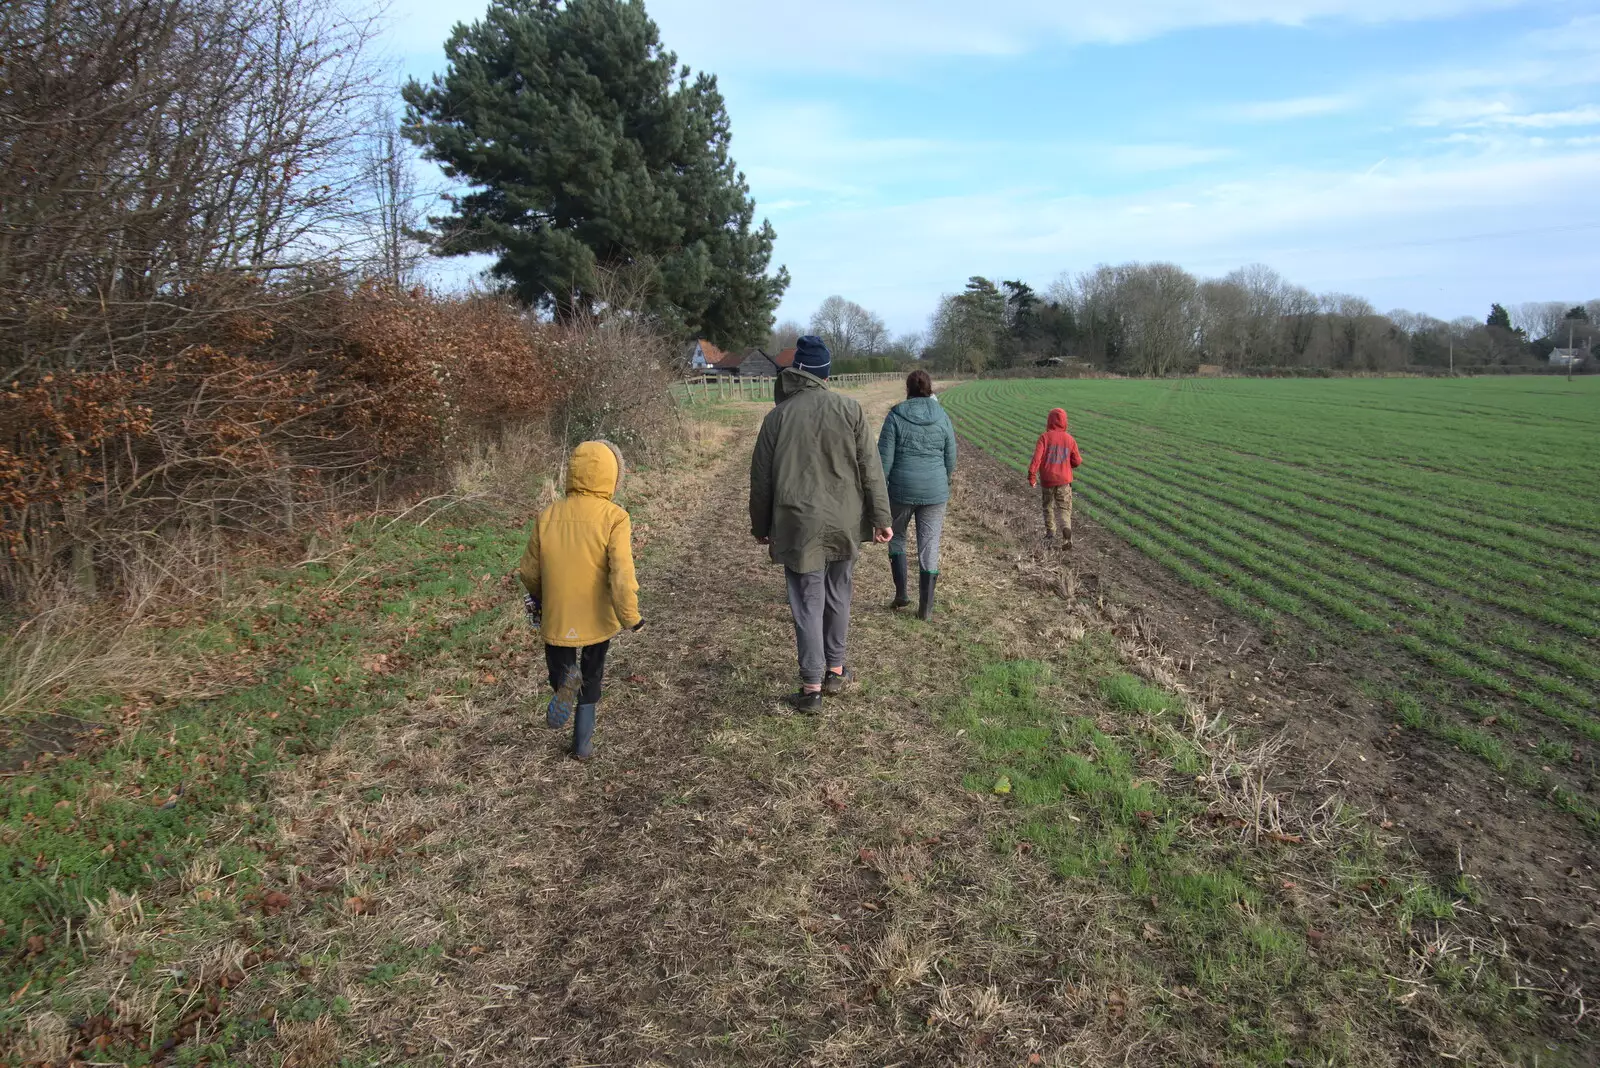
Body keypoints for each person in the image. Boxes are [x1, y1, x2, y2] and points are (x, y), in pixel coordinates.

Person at [750, 335, 893, 713]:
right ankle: (835, 670)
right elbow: (871, 469)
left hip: (798, 524)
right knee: (838, 594)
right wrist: (881, 517)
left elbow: (761, 479)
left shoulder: (776, 417)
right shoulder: (851, 410)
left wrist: (760, 524)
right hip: (844, 520)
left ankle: (811, 688)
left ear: (798, 372)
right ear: (824, 375)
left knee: (807, 602)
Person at [519, 440, 643, 760]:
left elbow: (530, 571)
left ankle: (564, 680)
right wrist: (630, 616)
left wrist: (541, 597)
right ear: (612, 477)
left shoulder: (548, 515)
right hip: (598, 615)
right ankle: (582, 744)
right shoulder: (615, 517)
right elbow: (621, 575)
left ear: (571, 473)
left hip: (559, 611)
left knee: (561, 663)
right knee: (593, 672)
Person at [877, 368, 956, 620]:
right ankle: (926, 609)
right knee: (929, 544)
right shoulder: (942, 415)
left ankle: (901, 594)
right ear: (930, 388)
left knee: (897, 535)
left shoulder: (895, 415)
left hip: (900, 490)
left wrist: (880, 490)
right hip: (935, 491)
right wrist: (942, 480)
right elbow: (950, 457)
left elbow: (883, 460)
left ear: (908, 389)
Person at [1027, 407, 1082, 549]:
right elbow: (1077, 461)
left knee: (1048, 506)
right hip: (1064, 481)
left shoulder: (1044, 437)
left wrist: (1032, 476)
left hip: (1047, 481)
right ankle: (1066, 530)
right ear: (1065, 422)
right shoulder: (1070, 439)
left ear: (1049, 421)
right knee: (1064, 507)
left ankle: (1050, 532)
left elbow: (1036, 459)